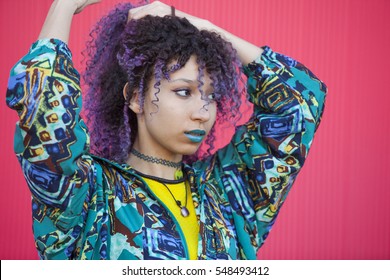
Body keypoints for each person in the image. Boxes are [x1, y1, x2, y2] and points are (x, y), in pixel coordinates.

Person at [6, 0, 326, 260]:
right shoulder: (87, 194)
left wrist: (202, 28)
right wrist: (64, 4)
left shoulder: (229, 192)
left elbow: (300, 102)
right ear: (134, 96)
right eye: (184, 91)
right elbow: (44, 111)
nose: (203, 113)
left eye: (212, 96)